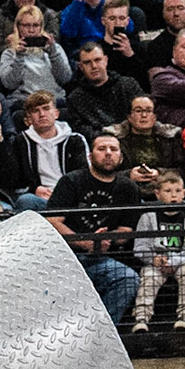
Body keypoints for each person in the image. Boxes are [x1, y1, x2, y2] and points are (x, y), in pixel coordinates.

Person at [47, 133, 143, 322]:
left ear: (121, 157)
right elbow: (52, 221)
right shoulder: (72, 181)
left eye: (113, 149)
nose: (108, 153)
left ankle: (100, 333)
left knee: (128, 279)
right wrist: (86, 242)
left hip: (103, 258)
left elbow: (125, 232)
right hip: (68, 256)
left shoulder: (129, 187)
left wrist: (104, 240)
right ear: (90, 156)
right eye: (101, 149)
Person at [129, 171, 185, 334]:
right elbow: (140, 247)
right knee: (149, 278)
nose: (173, 195)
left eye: (177, 191)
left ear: (184, 192)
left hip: (182, 261)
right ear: (157, 193)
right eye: (168, 191)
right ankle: (141, 318)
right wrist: (153, 259)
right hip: (155, 262)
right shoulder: (148, 216)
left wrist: (173, 261)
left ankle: (184, 317)